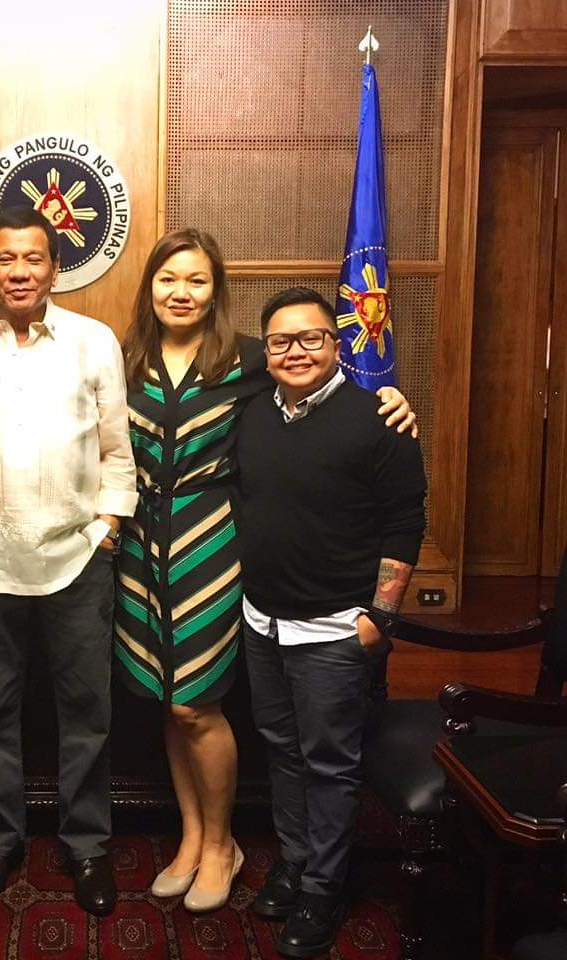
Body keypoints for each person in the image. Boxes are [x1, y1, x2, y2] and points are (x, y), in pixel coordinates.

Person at [114, 231, 417, 913]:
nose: (181, 292)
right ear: (150, 286)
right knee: (168, 699)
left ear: (215, 290)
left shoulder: (250, 358)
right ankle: (193, 837)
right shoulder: (124, 358)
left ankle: (224, 843)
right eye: (168, 278)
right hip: (140, 545)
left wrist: (392, 399)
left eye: (196, 279)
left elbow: (325, 384)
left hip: (212, 546)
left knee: (195, 701)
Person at [0, 206, 137, 917]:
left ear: (55, 267)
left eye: (34, 258)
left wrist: (107, 526)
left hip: (78, 560)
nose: (20, 271)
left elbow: (116, 449)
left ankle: (86, 846)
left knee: (86, 712)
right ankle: (0, 843)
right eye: (6, 258)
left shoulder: (93, 341)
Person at [237, 287, 426, 958]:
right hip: (262, 622)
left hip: (335, 631)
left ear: (337, 343)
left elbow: (405, 521)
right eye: (281, 341)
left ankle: (324, 887)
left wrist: (381, 617)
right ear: (266, 351)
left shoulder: (381, 420)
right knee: (282, 752)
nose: (296, 351)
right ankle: (297, 862)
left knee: (329, 764)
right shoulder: (253, 413)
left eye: (311, 338)